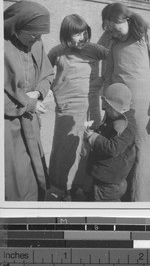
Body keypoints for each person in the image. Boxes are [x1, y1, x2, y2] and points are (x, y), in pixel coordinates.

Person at [46, 14, 108, 201]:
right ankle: (63, 189)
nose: (83, 37)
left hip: (90, 107)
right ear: (66, 35)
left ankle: (81, 187)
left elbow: (115, 57)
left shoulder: (95, 50)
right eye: (77, 34)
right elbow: (44, 75)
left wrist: (105, 81)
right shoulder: (57, 52)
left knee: (86, 148)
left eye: (85, 32)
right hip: (66, 109)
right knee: (65, 149)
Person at [103, 2, 150, 201]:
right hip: (120, 109)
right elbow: (108, 74)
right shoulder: (113, 43)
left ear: (127, 19)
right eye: (109, 30)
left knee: (143, 153)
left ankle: (142, 199)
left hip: (145, 110)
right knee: (123, 150)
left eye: (116, 29)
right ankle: (124, 199)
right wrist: (107, 105)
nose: (114, 34)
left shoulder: (147, 36)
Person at [4, 0, 54, 201]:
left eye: (41, 36)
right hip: (8, 128)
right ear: (17, 27)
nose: (37, 39)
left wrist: (40, 92)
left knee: (34, 175)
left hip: (30, 122)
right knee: (13, 180)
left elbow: (48, 74)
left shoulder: (37, 44)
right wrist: (29, 103)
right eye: (33, 34)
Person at [84, 83, 137, 201]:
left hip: (110, 182)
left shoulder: (126, 125)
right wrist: (94, 133)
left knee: (105, 208)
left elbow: (113, 148)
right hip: (103, 176)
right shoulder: (115, 117)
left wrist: (94, 138)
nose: (106, 109)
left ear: (117, 107)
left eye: (108, 106)